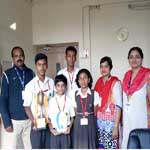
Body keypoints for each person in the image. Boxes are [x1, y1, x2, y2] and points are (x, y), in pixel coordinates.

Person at [0, 46, 34, 149]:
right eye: (16, 56)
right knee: (12, 147)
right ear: (13, 58)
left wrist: (34, 119)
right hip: (13, 121)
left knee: (29, 147)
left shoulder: (31, 73)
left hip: (28, 120)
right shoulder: (7, 74)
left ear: (24, 57)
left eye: (21, 55)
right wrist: (6, 122)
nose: (19, 58)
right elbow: (3, 99)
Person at [23, 53, 54, 149]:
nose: (42, 67)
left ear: (47, 65)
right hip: (36, 124)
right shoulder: (30, 85)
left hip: (49, 123)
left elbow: (54, 102)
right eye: (39, 64)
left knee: (49, 147)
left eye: (44, 64)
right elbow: (27, 107)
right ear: (36, 66)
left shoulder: (51, 82)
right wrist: (34, 122)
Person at [122, 47, 150, 148]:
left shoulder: (148, 74)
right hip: (128, 118)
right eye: (131, 57)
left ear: (142, 59)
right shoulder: (126, 75)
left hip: (141, 118)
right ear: (128, 59)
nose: (134, 59)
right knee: (128, 142)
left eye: (137, 57)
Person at [94, 56, 122, 149]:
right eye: (101, 66)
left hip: (111, 125)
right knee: (101, 147)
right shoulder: (98, 82)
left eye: (106, 66)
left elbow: (119, 106)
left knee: (111, 147)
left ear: (110, 68)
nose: (103, 69)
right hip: (100, 124)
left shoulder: (115, 83)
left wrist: (115, 127)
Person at [72, 68, 100, 149]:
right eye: (80, 78)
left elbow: (95, 112)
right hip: (78, 124)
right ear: (78, 81)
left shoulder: (95, 94)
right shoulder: (74, 94)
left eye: (84, 78)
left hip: (90, 124)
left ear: (89, 79)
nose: (82, 80)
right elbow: (75, 111)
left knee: (91, 145)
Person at [48, 74, 75, 149]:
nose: (61, 88)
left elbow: (72, 116)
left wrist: (70, 127)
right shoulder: (51, 101)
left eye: (63, 85)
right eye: (58, 85)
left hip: (65, 134)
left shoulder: (69, 101)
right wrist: (51, 128)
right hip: (55, 133)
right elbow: (48, 118)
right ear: (55, 87)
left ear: (66, 87)